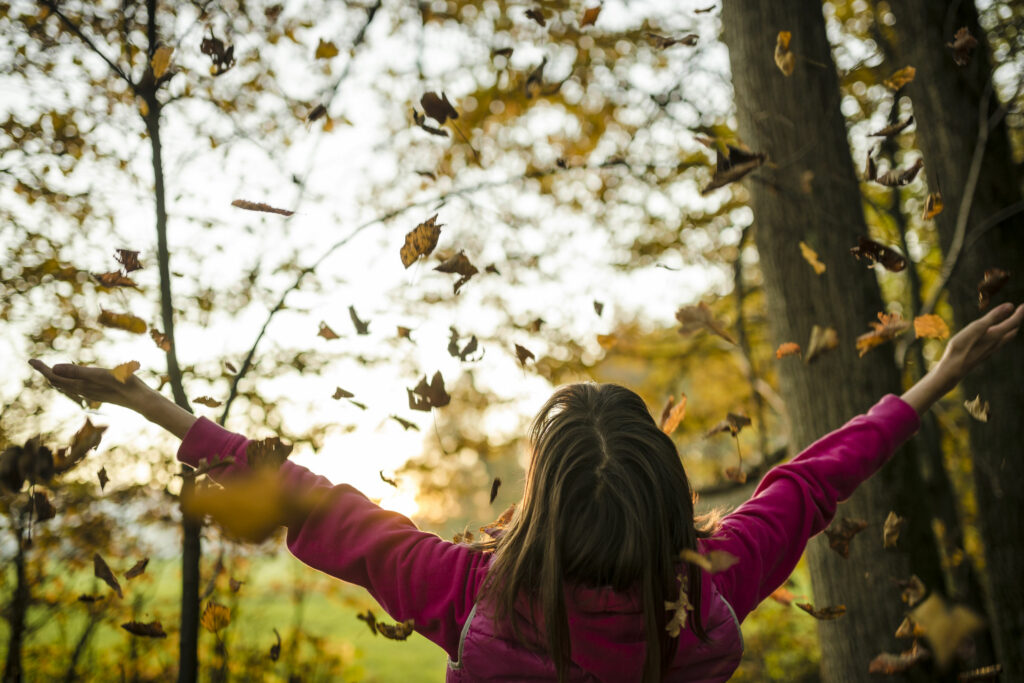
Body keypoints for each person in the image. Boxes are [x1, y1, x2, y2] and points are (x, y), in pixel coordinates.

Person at [29, 302, 1022, 682]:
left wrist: (150, 403)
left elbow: (307, 497)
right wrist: (929, 379)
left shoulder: (471, 594)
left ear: (539, 504)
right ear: (666, 500)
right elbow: (810, 481)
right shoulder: (710, 586)